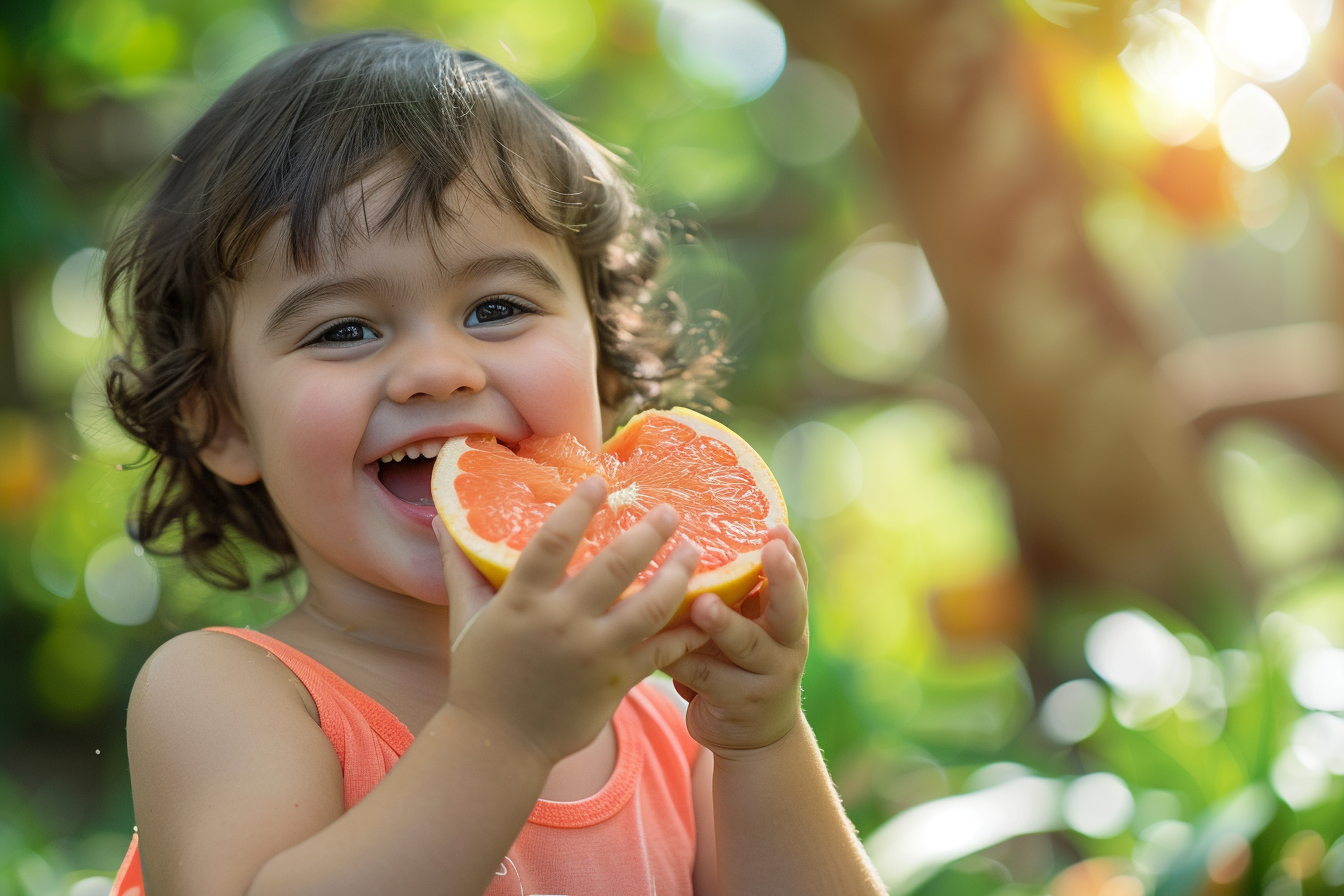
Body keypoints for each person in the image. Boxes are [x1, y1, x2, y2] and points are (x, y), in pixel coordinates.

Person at [102, 31, 886, 896]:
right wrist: (503, 735)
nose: (442, 370)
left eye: (497, 307)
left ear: (605, 366)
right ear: (224, 422)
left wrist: (762, 740)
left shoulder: (667, 726)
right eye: (344, 329)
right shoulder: (226, 694)